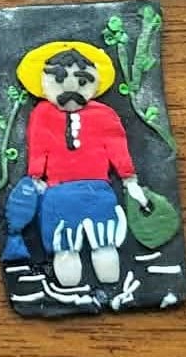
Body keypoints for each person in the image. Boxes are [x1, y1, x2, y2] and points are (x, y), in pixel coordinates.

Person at [16, 41, 149, 287]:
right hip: (58, 191)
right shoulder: (42, 114)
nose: (71, 89)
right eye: (59, 79)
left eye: (81, 80)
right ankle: (68, 281)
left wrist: (129, 179)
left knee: (104, 238)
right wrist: (35, 177)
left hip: (98, 188)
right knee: (63, 241)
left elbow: (117, 147)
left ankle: (108, 274)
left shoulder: (104, 114)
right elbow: (38, 146)